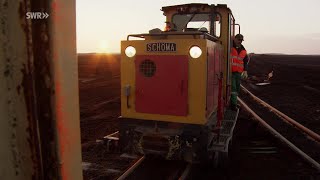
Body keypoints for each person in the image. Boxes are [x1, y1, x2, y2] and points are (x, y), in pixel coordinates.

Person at [230, 34, 249, 110]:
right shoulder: (230, 47)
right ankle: (233, 105)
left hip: (238, 73)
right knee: (233, 88)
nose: (240, 41)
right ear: (235, 39)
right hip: (230, 72)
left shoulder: (243, 50)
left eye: (241, 40)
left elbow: (245, 60)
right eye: (239, 40)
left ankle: (234, 102)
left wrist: (245, 70)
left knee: (236, 88)